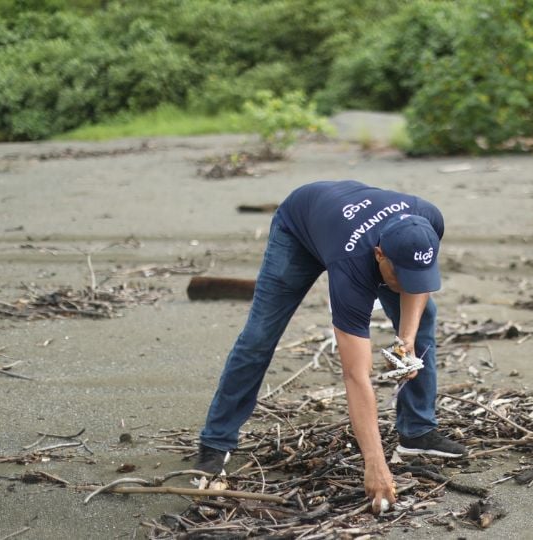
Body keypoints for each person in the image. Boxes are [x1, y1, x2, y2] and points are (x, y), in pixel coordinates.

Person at [195, 180, 465, 510]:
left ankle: (417, 433)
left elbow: (418, 278)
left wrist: (406, 339)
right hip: (300, 226)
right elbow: (356, 374)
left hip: (344, 221)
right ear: (380, 255)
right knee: (259, 337)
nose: (408, 285)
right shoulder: (352, 266)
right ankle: (215, 441)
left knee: (422, 323)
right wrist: (375, 464)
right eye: (400, 277)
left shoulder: (427, 220)